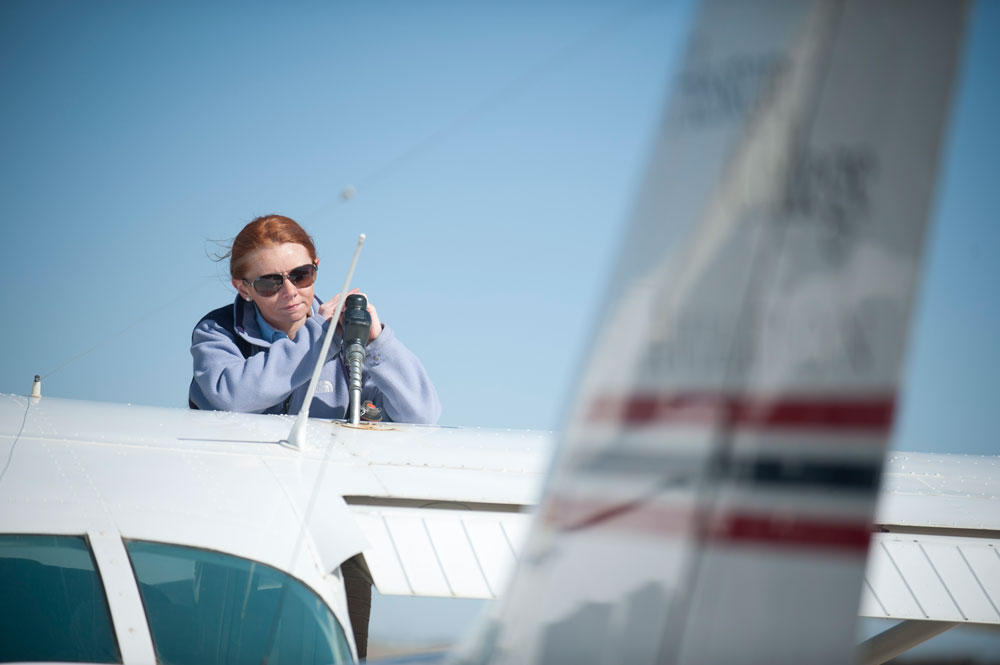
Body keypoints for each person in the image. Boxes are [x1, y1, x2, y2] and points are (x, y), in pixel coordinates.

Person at [189, 214, 441, 659]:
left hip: (332, 539)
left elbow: (422, 416)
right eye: (269, 282)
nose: (291, 292)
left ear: (317, 269)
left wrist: (376, 341)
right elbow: (231, 395)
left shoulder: (352, 332)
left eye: (302, 275)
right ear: (241, 287)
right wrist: (318, 336)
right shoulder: (218, 332)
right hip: (234, 530)